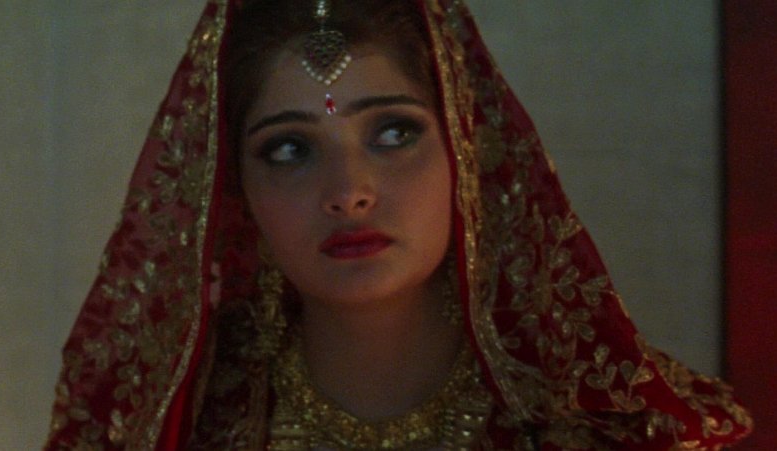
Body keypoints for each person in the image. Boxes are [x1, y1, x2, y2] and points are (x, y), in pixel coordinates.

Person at [44, 0, 753, 449]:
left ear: (468, 154)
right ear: (232, 193)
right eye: (288, 150)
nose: (348, 192)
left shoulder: (611, 426)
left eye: (392, 134)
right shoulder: (177, 427)